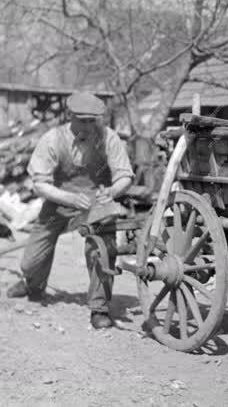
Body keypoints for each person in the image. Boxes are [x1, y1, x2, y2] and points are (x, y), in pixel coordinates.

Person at [6, 92, 134, 329]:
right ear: (70, 116)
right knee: (31, 261)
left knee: (102, 250)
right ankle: (32, 284)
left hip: (97, 203)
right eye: (82, 120)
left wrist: (113, 192)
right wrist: (70, 198)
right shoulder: (52, 139)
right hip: (58, 202)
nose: (88, 125)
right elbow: (40, 184)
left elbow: (125, 175)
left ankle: (99, 307)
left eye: (92, 120)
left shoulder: (109, 138)